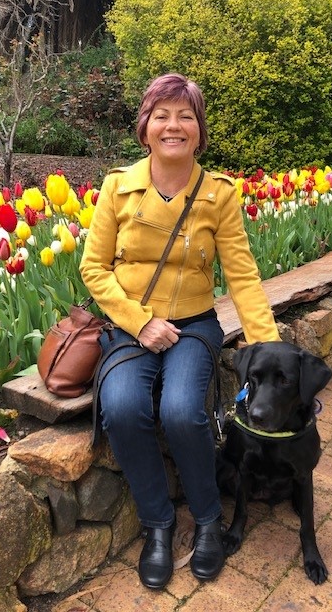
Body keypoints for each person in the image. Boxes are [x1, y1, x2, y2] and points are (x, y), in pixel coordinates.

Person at [79, 73, 280, 590]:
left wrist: (267, 346)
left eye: (186, 115)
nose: (174, 125)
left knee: (181, 410)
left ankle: (209, 520)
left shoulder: (218, 196)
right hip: (131, 327)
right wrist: (141, 323)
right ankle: (159, 526)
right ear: (146, 127)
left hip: (193, 325)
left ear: (199, 129)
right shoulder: (117, 187)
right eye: (162, 115)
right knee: (123, 407)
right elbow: (94, 269)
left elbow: (242, 275)